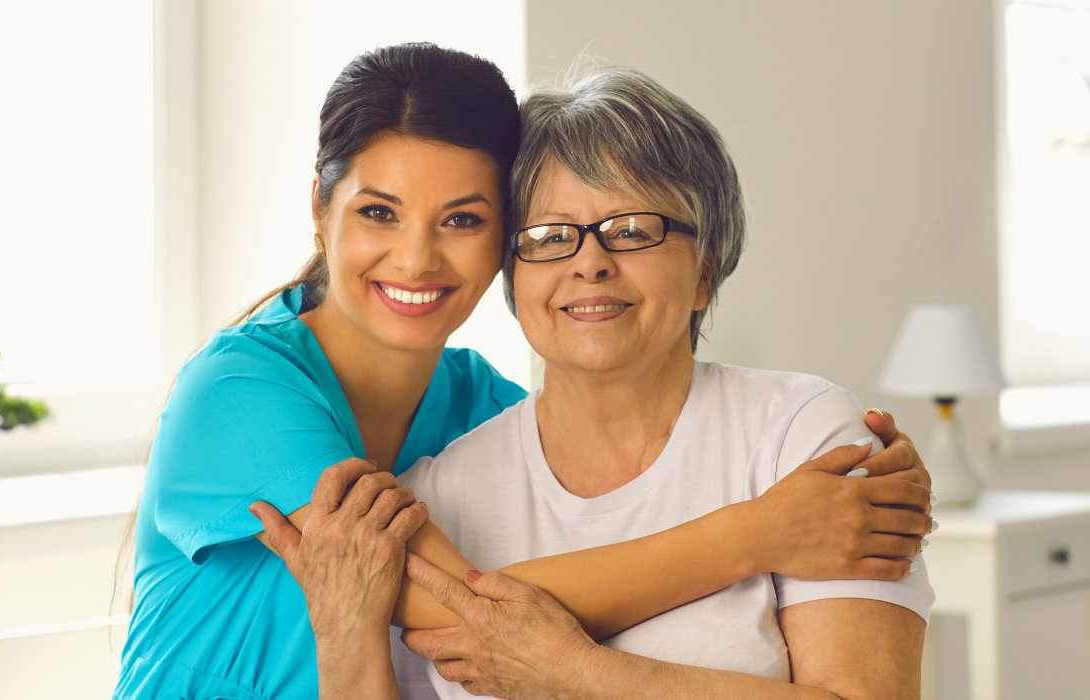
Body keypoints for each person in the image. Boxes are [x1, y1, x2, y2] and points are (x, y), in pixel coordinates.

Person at [116, 44, 930, 700]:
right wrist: (764, 531)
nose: (416, 255)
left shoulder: (474, 410)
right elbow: (467, 617)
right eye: (378, 212)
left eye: (462, 220)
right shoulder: (242, 392)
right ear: (320, 213)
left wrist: (876, 484)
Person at [379, 67, 933, 698]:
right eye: (549, 236)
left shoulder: (804, 439)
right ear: (513, 280)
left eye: (633, 231)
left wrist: (582, 674)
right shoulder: (433, 498)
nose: (589, 263)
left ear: (705, 273)